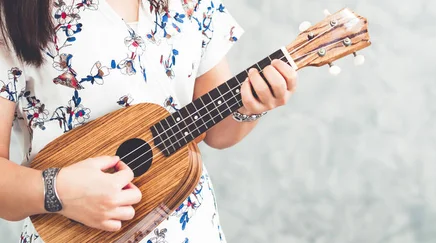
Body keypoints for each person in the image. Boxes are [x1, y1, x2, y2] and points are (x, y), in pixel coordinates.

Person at [0, 0, 297, 242]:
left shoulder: (193, 5)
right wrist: (58, 191)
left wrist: (254, 105)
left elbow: (217, 133)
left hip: (191, 230)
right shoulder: (12, 13)